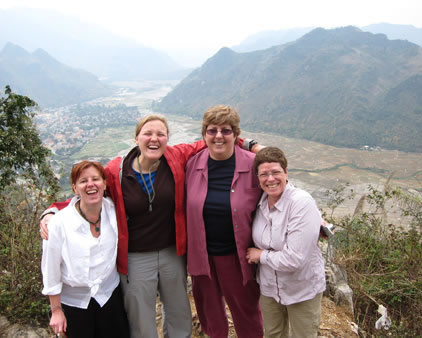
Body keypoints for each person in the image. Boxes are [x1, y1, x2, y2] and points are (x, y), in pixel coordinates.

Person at [40, 114, 258, 338]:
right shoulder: (118, 170)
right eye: (148, 134)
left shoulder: (175, 157)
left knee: (178, 314)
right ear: (137, 138)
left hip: (172, 252)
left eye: (160, 134)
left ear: (167, 139)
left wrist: (249, 144)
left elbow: (213, 138)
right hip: (136, 256)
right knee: (142, 319)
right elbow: (90, 187)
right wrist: (54, 209)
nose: (154, 139)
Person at [185, 105, 264, 338]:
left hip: (237, 257)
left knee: (246, 314)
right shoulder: (192, 165)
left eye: (226, 130)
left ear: (236, 134)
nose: (218, 136)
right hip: (203, 257)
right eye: (212, 130)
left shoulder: (253, 165)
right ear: (204, 134)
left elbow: (280, 190)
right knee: (210, 316)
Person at [41, 160, 129, 337]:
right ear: (75, 188)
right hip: (75, 303)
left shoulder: (113, 210)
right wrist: (56, 310)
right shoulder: (59, 224)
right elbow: (51, 269)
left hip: (109, 295)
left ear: (104, 184)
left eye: (95, 179)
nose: (90, 184)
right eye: (83, 181)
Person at [246, 147, 326, 338]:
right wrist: (250, 144)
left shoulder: (301, 203)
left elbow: (294, 259)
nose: (270, 179)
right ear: (257, 177)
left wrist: (260, 255)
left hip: (301, 288)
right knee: (273, 334)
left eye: (276, 172)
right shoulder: (260, 202)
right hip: (269, 288)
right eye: (264, 174)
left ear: (286, 172)